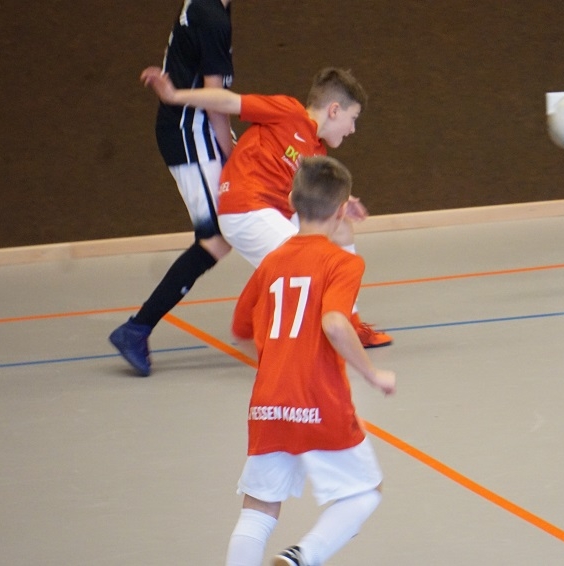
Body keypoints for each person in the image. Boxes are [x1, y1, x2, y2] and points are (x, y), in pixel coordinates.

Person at [136, 65, 393, 357]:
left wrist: (342, 201)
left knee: (341, 224)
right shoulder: (289, 112)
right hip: (247, 209)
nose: (353, 129)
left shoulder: (316, 151)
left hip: (272, 212)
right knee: (308, 264)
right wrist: (174, 95)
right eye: (353, 119)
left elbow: (305, 198)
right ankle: (257, 329)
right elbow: (228, 101)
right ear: (334, 110)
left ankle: (351, 324)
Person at [225, 156, 396, 566]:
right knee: (364, 493)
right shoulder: (343, 263)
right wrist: (372, 374)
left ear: (290, 200)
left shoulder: (271, 262)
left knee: (258, 509)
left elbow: (241, 325)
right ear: (341, 211)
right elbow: (336, 323)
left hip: (268, 402)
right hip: (320, 400)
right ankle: (301, 558)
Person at [109, 0, 237, 377]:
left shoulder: (205, 7)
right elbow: (215, 100)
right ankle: (137, 328)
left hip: (193, 130)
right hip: (190, 135)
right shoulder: (213, 16)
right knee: (216, 239)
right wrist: (231, 153)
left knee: (224, 236)